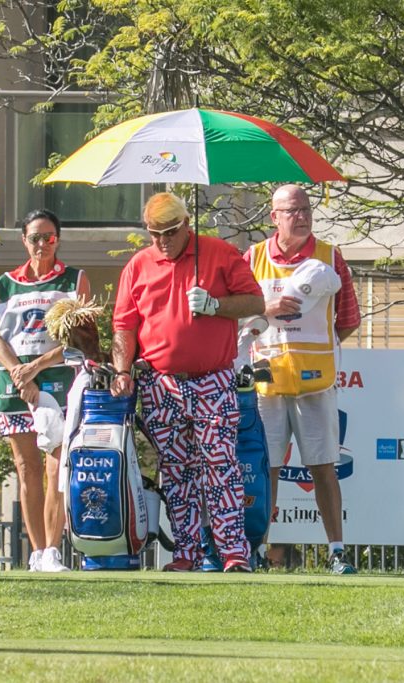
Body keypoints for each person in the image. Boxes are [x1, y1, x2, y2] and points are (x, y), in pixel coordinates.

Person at [111, 192, 265, 572]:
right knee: (177, 472)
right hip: (160, 383)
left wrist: (215, 304)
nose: (161, 241)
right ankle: (187, 553)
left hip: (212, 379)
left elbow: (255, 302)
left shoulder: (219, 253)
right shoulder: (138, 265)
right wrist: (121, 370)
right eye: (154, 233)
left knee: (220, 465)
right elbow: (124, 325)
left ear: (186, 226)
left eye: (169, 232)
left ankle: (233, 553)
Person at [243, 184, 361, 574]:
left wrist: (313, 351)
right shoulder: (254, 257)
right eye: (292, 210)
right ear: (273, 216)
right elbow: (238, 313)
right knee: (268, 467)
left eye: (306, 209)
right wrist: (266, 306)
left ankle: (337, 551)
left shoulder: (330, 256)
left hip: (316, 382)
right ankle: (258, 549)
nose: (302, 216)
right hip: (267, 381)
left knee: (324, 465)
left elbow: (347, 319)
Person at [0, 209, 90, 573]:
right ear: (24, 241)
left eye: (49, 237)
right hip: (14, 383)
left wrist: (37, 367)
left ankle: (52, 550)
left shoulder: (74, 280)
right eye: (35, 238)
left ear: (58, 239)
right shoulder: (4, 285)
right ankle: (35, 551)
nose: (42, 244)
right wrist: (19, 371)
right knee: (25, 467)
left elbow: (81, 337)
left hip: (57, 380)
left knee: (56, 466)